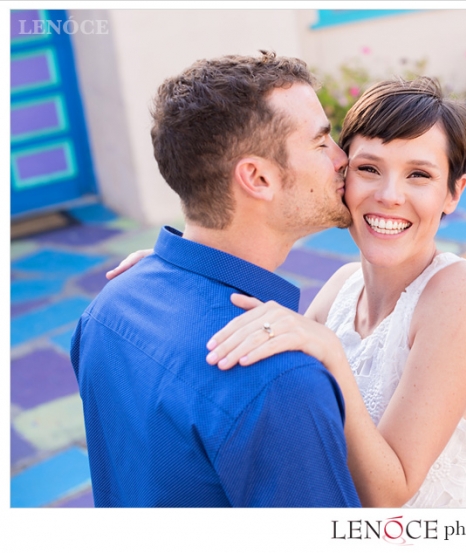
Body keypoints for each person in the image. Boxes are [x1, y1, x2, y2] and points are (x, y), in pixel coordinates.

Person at [110, 77, 466, 508]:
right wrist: (183, 270)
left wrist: (332, 353)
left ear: (453, 193)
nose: (390, 196)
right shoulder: (341, 288)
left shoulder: (460, 294)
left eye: (419, 175)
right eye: (369, 169)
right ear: (342, 174)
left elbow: (389, 495)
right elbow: (276, 356)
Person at [70, 52, 361, 507]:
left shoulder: (107, 308)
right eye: (322, 142)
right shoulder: (282, 381)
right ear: (258, 177)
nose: (343, 158)